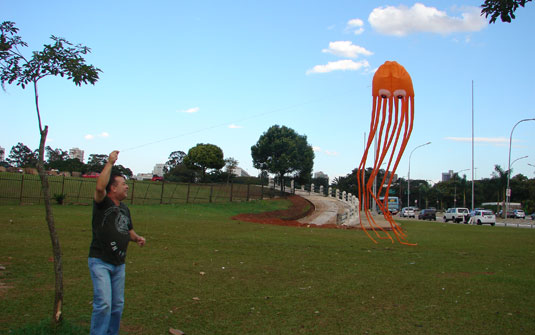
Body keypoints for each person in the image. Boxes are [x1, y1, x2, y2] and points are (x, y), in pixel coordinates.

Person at [88, 150, 145, 335]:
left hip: (119, 264)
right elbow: (98, 188)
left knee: (117, 306)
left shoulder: (125, 209)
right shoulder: (102, 203)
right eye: (124, 184)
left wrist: (136, 238)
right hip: (100, 261)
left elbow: (127, 230)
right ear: (113, 188)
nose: (127, 187)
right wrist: (110, 162)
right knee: (103, 304)